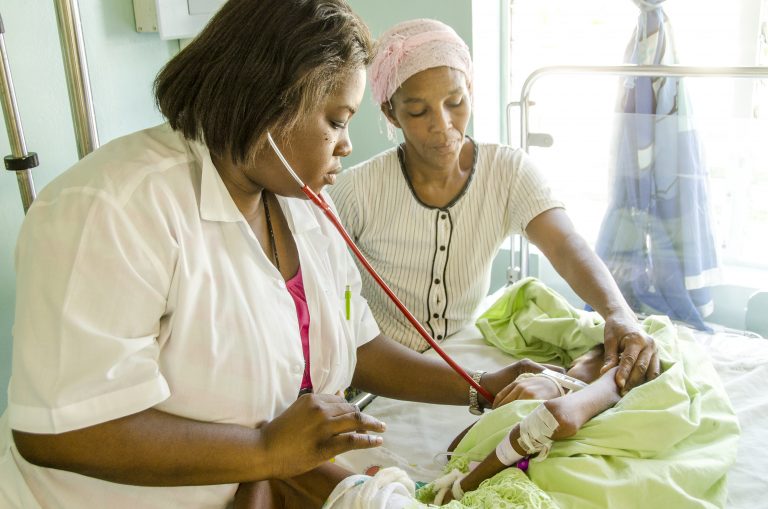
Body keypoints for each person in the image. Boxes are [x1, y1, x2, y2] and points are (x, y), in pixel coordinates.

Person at [0, 2, 559, 508]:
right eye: (337, 121)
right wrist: (265, 449)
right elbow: (59, 430)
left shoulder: (302, 203)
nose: (347, 144)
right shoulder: (111, 210)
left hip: (263, 487)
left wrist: (480, 385)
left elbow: (358, 345)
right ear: (267, 102)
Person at [328, 18, 659, 395]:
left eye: (455, 102)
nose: (443, 125)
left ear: (470, 90)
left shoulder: (509, 172)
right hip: (384, 375)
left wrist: (618, 314)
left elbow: (566, 245)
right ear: (390, 112)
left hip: (464, 352)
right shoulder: (355, 192)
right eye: (419, 112)